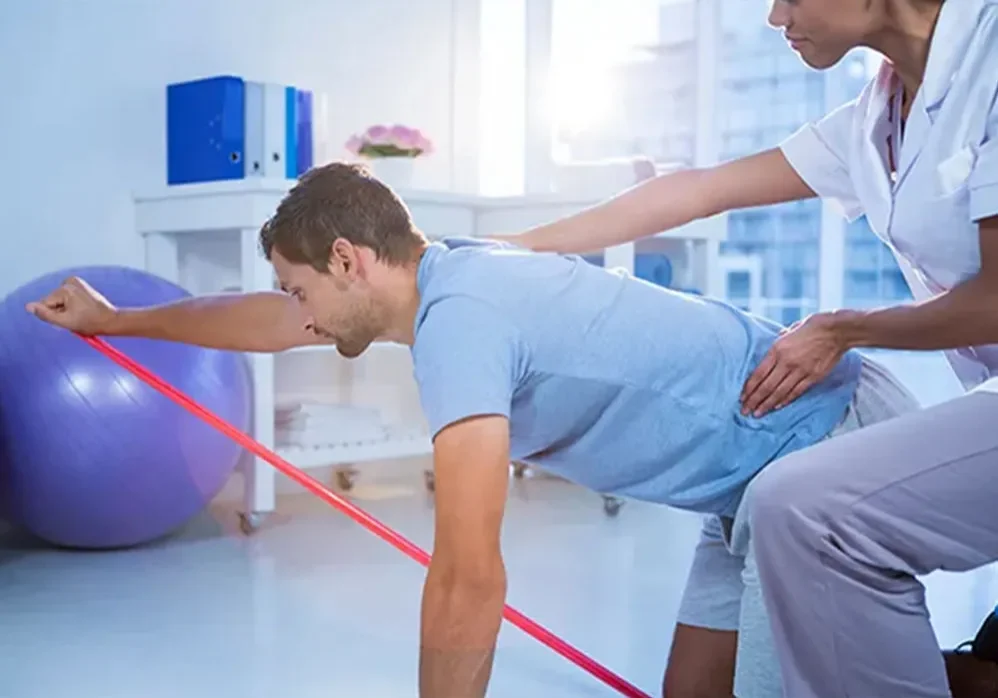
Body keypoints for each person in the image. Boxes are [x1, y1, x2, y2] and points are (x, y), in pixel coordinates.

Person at [28, 162, 915, 698]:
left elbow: (467, 572)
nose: (296, 312)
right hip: (747, 478)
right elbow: (266, 318)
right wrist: (117, 324)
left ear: (348, 259)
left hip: (818, 445)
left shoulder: (461, 328)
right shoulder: (444, 273)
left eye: (302, 287)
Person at [501, 0, 998, 695]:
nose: (774, 16)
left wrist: (844, 328)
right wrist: (518, 249)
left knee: (802, 506)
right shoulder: (874, 119)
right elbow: (702, 191)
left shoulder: (990, 53)